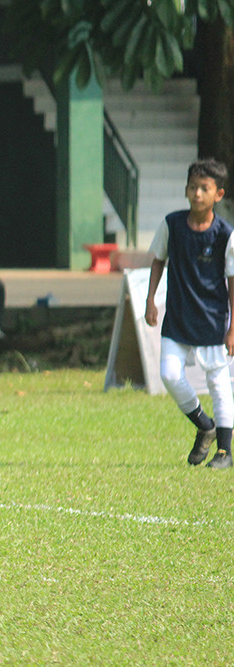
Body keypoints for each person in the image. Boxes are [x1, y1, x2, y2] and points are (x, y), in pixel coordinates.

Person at [144, 158, 234, 470]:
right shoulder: (172, 225)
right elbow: (158, 260)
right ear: (185, 190)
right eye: (193, 187)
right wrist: (150, 300)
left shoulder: (225, 234)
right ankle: (203, 424)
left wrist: (233, 327)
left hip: (211, 317)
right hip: (178, 316)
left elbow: (233, 281)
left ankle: (224, 450)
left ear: (218, 195)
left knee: (219, 383)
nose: (197, 194)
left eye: (204, 188)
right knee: (169, 374)